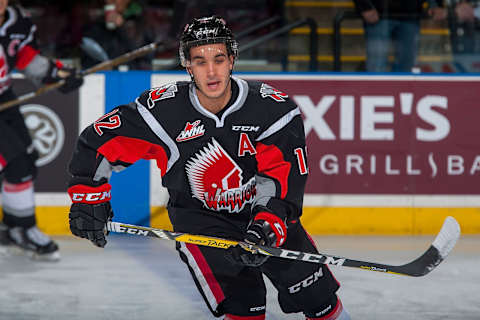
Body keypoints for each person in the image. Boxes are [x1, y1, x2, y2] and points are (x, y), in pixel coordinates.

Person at [67, 16, 350, 319]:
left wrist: (265, 226)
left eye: (219, 58)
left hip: (265, 214)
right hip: (201, 223)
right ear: (187, 66)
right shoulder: (163, 112)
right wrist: (88, 199)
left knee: (320, 301)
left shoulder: (273, 110)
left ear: (232, 59)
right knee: (245, 310)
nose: (211, 71)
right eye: (200, 61)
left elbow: (280, 178)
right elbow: (98, 141)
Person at [0, 0, 83, 261]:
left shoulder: (18, 21)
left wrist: (57, 74)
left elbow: (27, 58)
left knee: (24, 161)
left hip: (4, 98)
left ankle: (14, 227)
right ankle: (22, 228)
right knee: (16, 164)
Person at [353, 0, 444, 72]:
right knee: (376, 67)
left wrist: (435, 4)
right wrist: (364, 6)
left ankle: (400, 94)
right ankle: (375, 93)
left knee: (407, 68)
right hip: (378, 13)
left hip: (410, 14)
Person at [80, 0, 152, 70]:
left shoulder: (140, 22)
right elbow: (87, 56)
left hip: (133, 76)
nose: (111, 1)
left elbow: (144, 54)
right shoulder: (95, 25)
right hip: (103, 77)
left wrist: (122, 28)